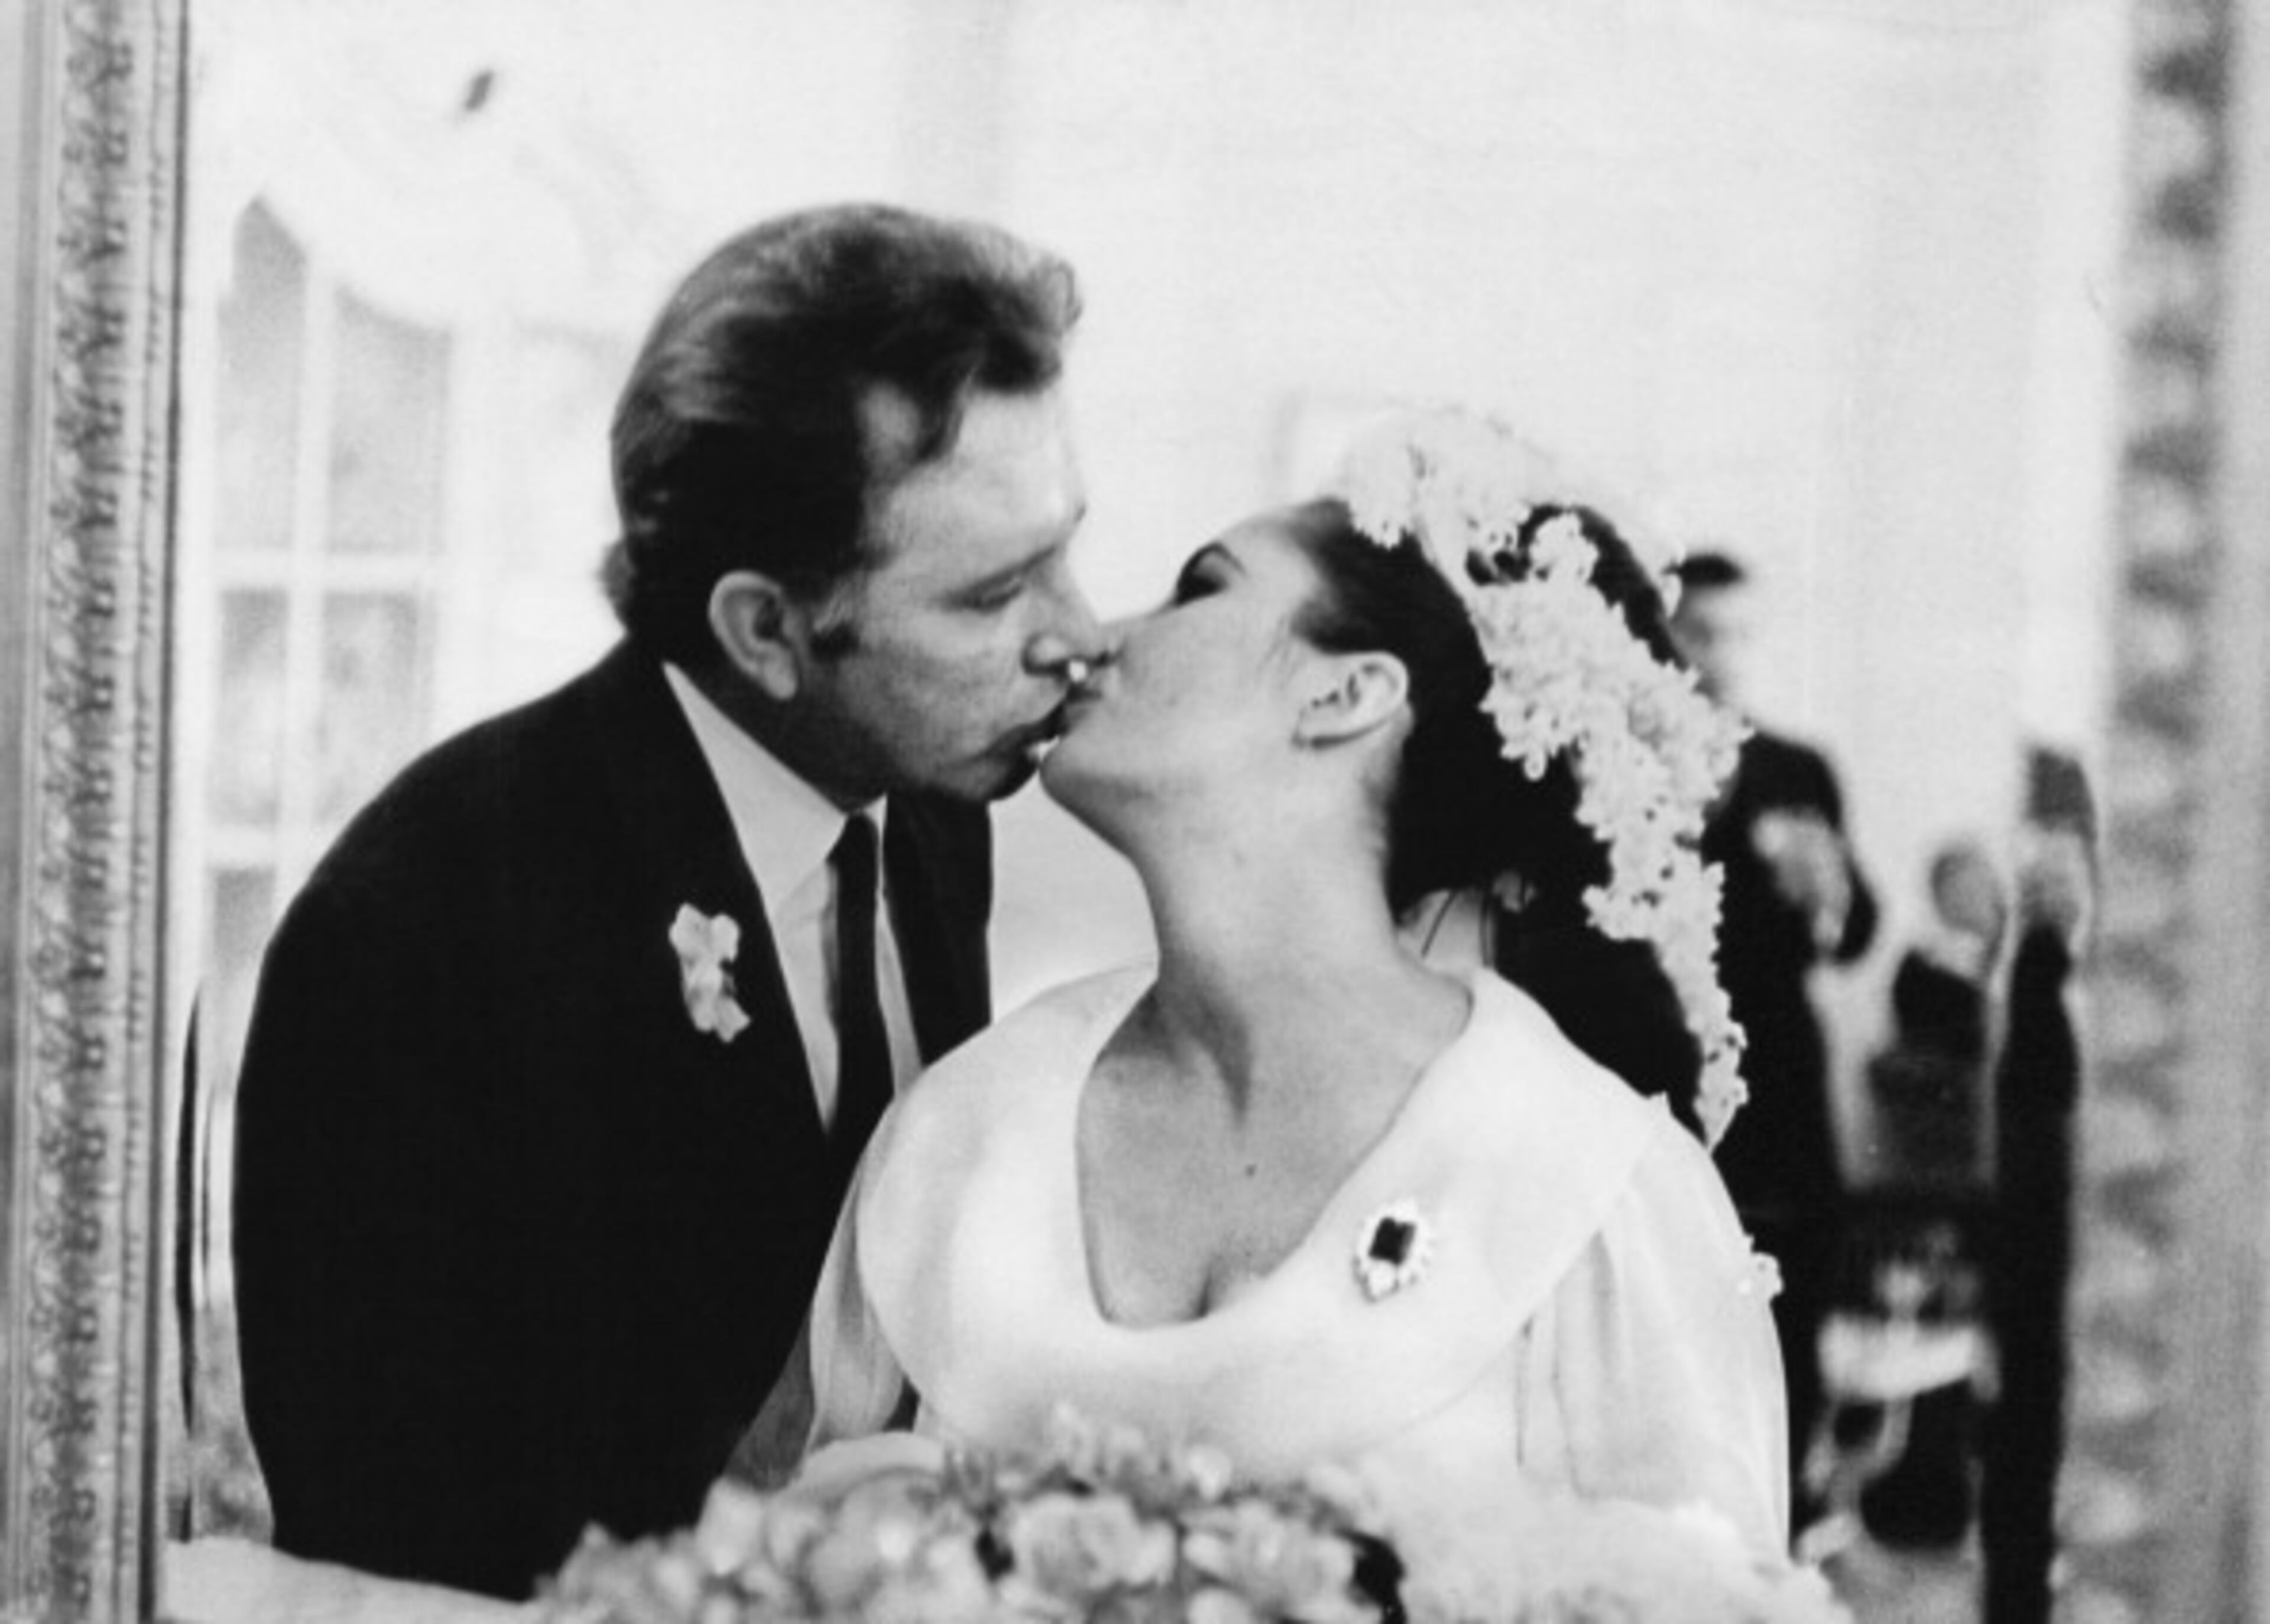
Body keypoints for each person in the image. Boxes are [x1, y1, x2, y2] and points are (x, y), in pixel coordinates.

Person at [229, 203, 1106, 1598]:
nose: (1080, 632)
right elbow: (398, 1518)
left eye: (1064, 549)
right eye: (995, 592)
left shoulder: (936, 806)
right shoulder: (422, 924)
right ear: (764, 630)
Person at [745, 410, 1791, 1576]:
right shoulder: (967, 1128)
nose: (1090, 639)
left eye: (1199, 589)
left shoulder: (1591, 1191)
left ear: (1346, 697)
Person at [1669, 548, 1878, 1535]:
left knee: (1790, 1304)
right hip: (1663, 1072)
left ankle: (1783, 1522)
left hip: (1781, 1078)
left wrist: (1826, 896)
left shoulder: (1796, 771)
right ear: (1666, 636)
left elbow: (1855, 930)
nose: (1723, 655)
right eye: (1703, 631)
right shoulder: (1625, 759)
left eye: (1739, 633)